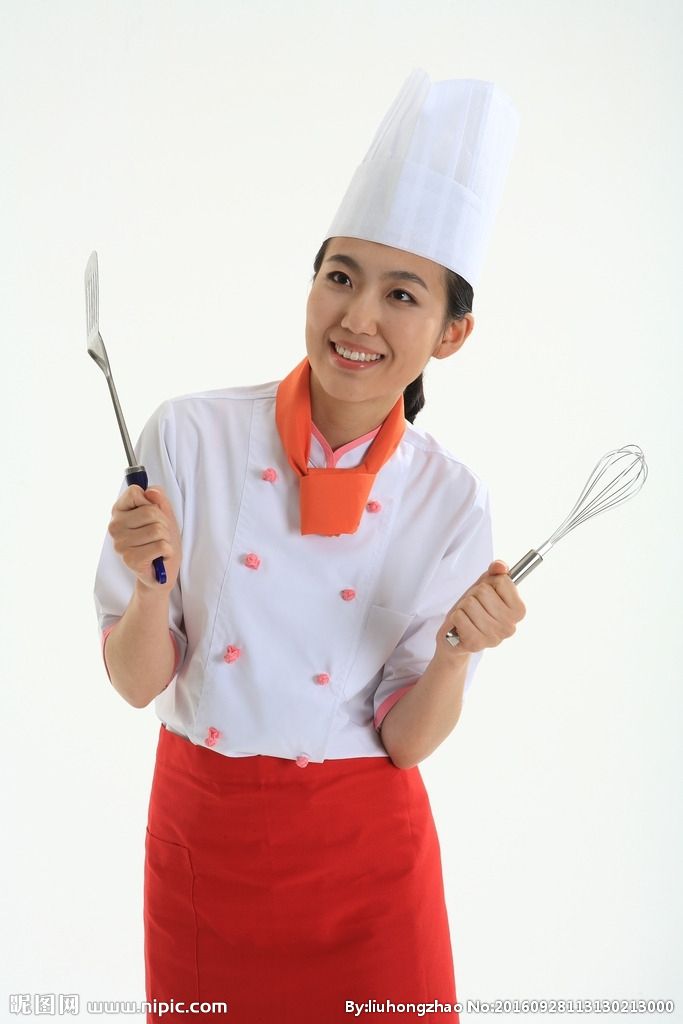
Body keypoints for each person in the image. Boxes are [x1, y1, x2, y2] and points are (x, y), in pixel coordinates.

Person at [93, 70, 525, 1024]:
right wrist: (151, 587)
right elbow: (134, 683)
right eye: (340, 277)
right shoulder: (189, 436)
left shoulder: (451, 499)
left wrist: (457, 651)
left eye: (400, 294)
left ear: (451, 334)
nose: (357, 317)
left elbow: (406, 741)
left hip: (369, 864)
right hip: (208, 843)